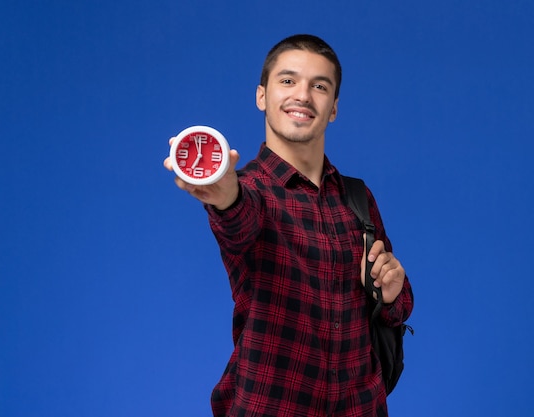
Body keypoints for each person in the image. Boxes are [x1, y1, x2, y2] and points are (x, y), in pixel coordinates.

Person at [164, 34, 414, 417]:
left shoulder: (357, 198)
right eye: (287, 80)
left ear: (333, 108)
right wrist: (225, 194)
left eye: (319, 86)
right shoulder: (249, 193)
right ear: (261, 96)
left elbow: (394, 310)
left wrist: (392, 292)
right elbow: (238, 221)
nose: (303, 95)